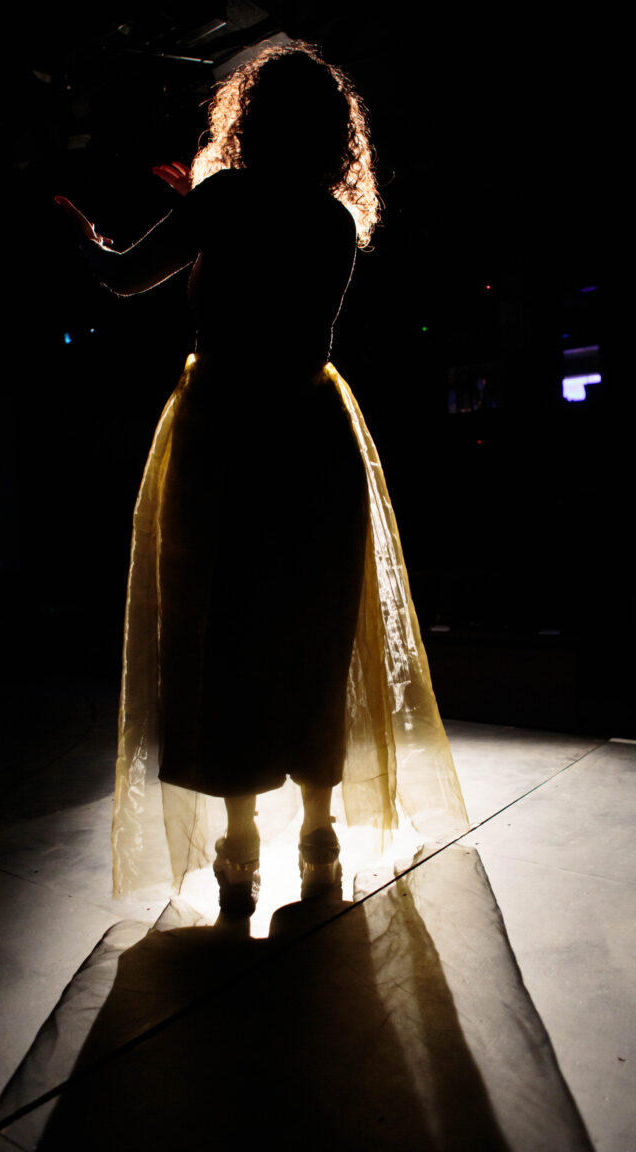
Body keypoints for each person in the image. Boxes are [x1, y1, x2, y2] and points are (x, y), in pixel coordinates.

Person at [57, 42, 467, 917]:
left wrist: (86, 240)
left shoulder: (222, 201)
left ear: (246, 118)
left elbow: (126, 277)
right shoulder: (332, 221)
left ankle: (239, 839)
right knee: (312, 630)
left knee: (223, 628)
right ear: (332, 135)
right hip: (312, 428)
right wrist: (205, 212)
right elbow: (271, 261)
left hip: (224, 430)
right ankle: (320, 829)